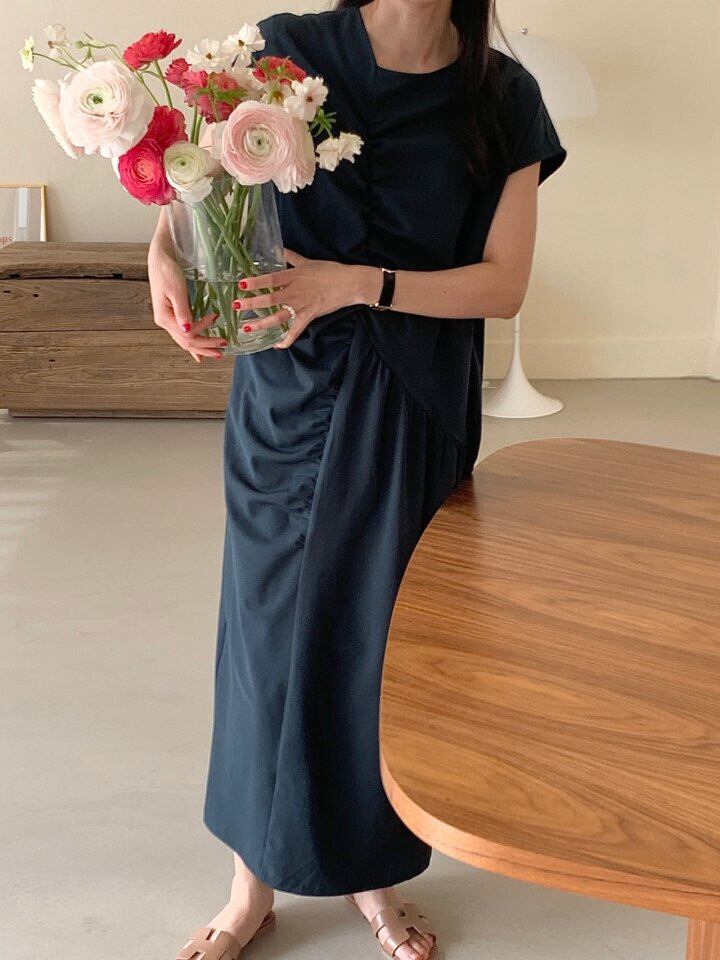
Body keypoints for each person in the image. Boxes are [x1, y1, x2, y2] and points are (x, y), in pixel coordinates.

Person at [148, 1, 567, 958]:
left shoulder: (504, 96)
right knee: (266, 636)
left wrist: (353, 282)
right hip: (284, 399)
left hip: (411, 406)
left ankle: (371, 870)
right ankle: (251, 881)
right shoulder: (282, 52)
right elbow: (193, 195)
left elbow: (503, 284)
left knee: (381, 647)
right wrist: (162, 258)